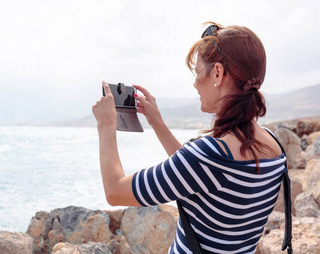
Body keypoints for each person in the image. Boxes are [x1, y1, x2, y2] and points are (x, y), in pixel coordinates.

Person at [92, 22, 289, 253]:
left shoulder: (211, 156)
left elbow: (115, 192)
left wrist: (106, 125)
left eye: (197, 73)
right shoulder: (273, 145)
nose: (195, 84)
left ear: (217, 73)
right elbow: (199, 176)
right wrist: (157, 122)